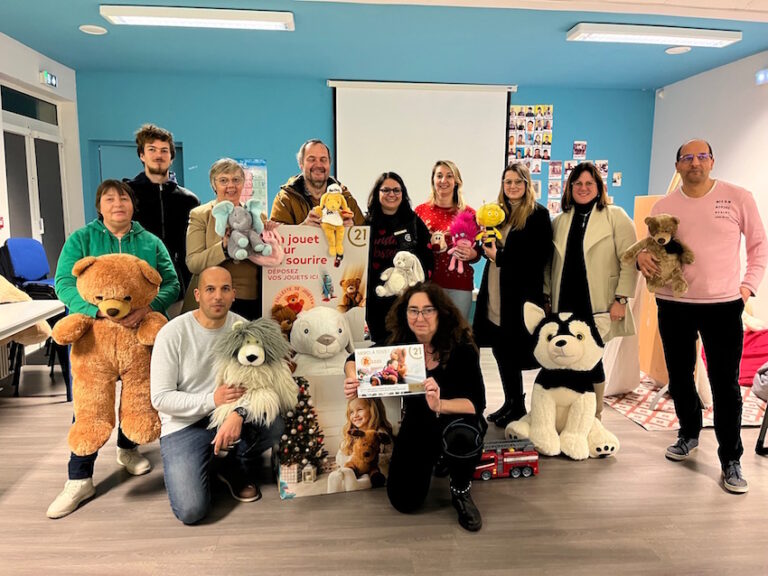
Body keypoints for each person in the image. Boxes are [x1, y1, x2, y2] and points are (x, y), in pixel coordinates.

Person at [636, 139, 767, 494]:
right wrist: (639, 260)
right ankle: (689, 433)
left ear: (712, 162)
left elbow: (758, 245)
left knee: (725, 385)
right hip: (673, 303)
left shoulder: (738, 197)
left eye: (702, 156)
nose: (695, 162)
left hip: (723, 306)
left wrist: (747, 287)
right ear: (677, 166)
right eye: (687, 158)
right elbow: (651, 249)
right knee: (679, 378)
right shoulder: (665, 206)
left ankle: (731, 459)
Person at [47, 179, 180, 519]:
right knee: (90, 406)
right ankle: (79, 477)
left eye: (123, 198)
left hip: (138, 335)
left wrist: (146, 311)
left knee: (137, 397)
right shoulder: (81, 239)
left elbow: (171, 281)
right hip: (93, 338)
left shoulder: (150, 242)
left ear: (133, 205)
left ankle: (127, 448)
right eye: (109, 198)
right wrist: (95, 311)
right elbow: (64, 281)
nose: (117, 203)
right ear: (99, 206)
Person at [344, 283, 487, 531]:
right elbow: (353, 360)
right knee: (404, 502)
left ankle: (460, 490)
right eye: (413, 310)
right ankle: (438, 458)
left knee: (462, 436)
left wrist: (440, 404)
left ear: (441, 312)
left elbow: (476, 403)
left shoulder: (461, 347)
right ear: (405, 314)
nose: (420, 317)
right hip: (419, 423)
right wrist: (352, 379)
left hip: (455, 418)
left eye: (427, 310)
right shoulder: (401, 345)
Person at [150, 266, 283, 523]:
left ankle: (233, 462)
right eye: (210, 289)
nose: (218, 296)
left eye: (225, 289)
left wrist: (238, 413)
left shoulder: (242, 328)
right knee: (191, 511)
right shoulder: (172, 333)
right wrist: (213, 399)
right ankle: (209, 460)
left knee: (275, 423)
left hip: (228, 415)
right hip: (184, 425)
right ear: (198, 294)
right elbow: (161, 398)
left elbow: (259, 383)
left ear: (234, 294)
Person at [546, 162, 638, 419]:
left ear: (599, 188)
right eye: (578, 184)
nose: (583, 188)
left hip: (598, 301)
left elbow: (629, 260)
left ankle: (594, 414)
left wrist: (621, 298)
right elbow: (549, 263)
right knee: (565, 356)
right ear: (570, 188)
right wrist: (546, 296)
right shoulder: (560, 221)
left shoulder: (615, 216)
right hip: (565, 299)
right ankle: (567, 412)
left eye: (589, 183)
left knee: (592, 356)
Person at [474, 163, 552, 427]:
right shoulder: (497, 213)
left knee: (514, 350)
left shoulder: (538, 214)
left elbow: (539, 256)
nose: (512, 186)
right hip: (495, 289)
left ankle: (518, 406)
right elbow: (488, 244)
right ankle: (512, 402)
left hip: (519, 295)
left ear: (527, 184)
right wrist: (481, 242)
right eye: (508, 182)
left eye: (518, 181)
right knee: (499, 349)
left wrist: (502, 256)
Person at [182, 158, 266, 319]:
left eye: (236, 180)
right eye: (223, 180)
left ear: (243, 183)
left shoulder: (258, 216)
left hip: (253, 302)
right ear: (214, 185)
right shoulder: (201, 215)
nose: (231, 186)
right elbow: (193, 263)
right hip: (214, 303)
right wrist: (224, 248)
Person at [125, 123, 200, 296]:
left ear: (171, 157)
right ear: (142, 155)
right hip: (135, 285)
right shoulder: (126, 195)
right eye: (152, 149)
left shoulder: (189, 200)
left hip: (179, 287)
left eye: (164, 150)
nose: (159, 155)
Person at [365, 172, 433, 344]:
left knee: (409, 348)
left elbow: (427, 256)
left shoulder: (414, 222)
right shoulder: (366, 223)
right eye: (386, 190)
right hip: (376, 303)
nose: (391, 194)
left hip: (408, 302)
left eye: (396, 190)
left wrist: (418, 288)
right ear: (377, 193)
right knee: (381, 348)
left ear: (403, 193)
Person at [415, 161, 478, 319]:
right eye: (439, 176)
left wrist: (473, 254)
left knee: (456, 336)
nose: (444, 180)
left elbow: (479, 251)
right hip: (427, 285)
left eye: (449, 176)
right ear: (433, 180)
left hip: (459, 286)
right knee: (428, 336)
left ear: (457, 181)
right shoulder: (420, 211)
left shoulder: (469, 213)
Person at [270, 139, 364, 226]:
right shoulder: (285, 199)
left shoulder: (345, 197)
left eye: (323, 160)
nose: (318, 165)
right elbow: (275, 237)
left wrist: (352, 229)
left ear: (329, 164)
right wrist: (304, 228)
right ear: (301, 164)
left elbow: (365, 237)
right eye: (312, 159)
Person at [327, 397, 394, 492]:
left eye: (359, 410)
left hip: (374, 476)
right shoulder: (352, 434)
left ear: (373, 410)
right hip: (354, 473)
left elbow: (390, 457)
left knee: (363, 480)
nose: (355, 415)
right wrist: (355, 459)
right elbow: (340, 457)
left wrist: (371, 460)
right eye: (351, 412)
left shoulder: (379, 435)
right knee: (339, 478)